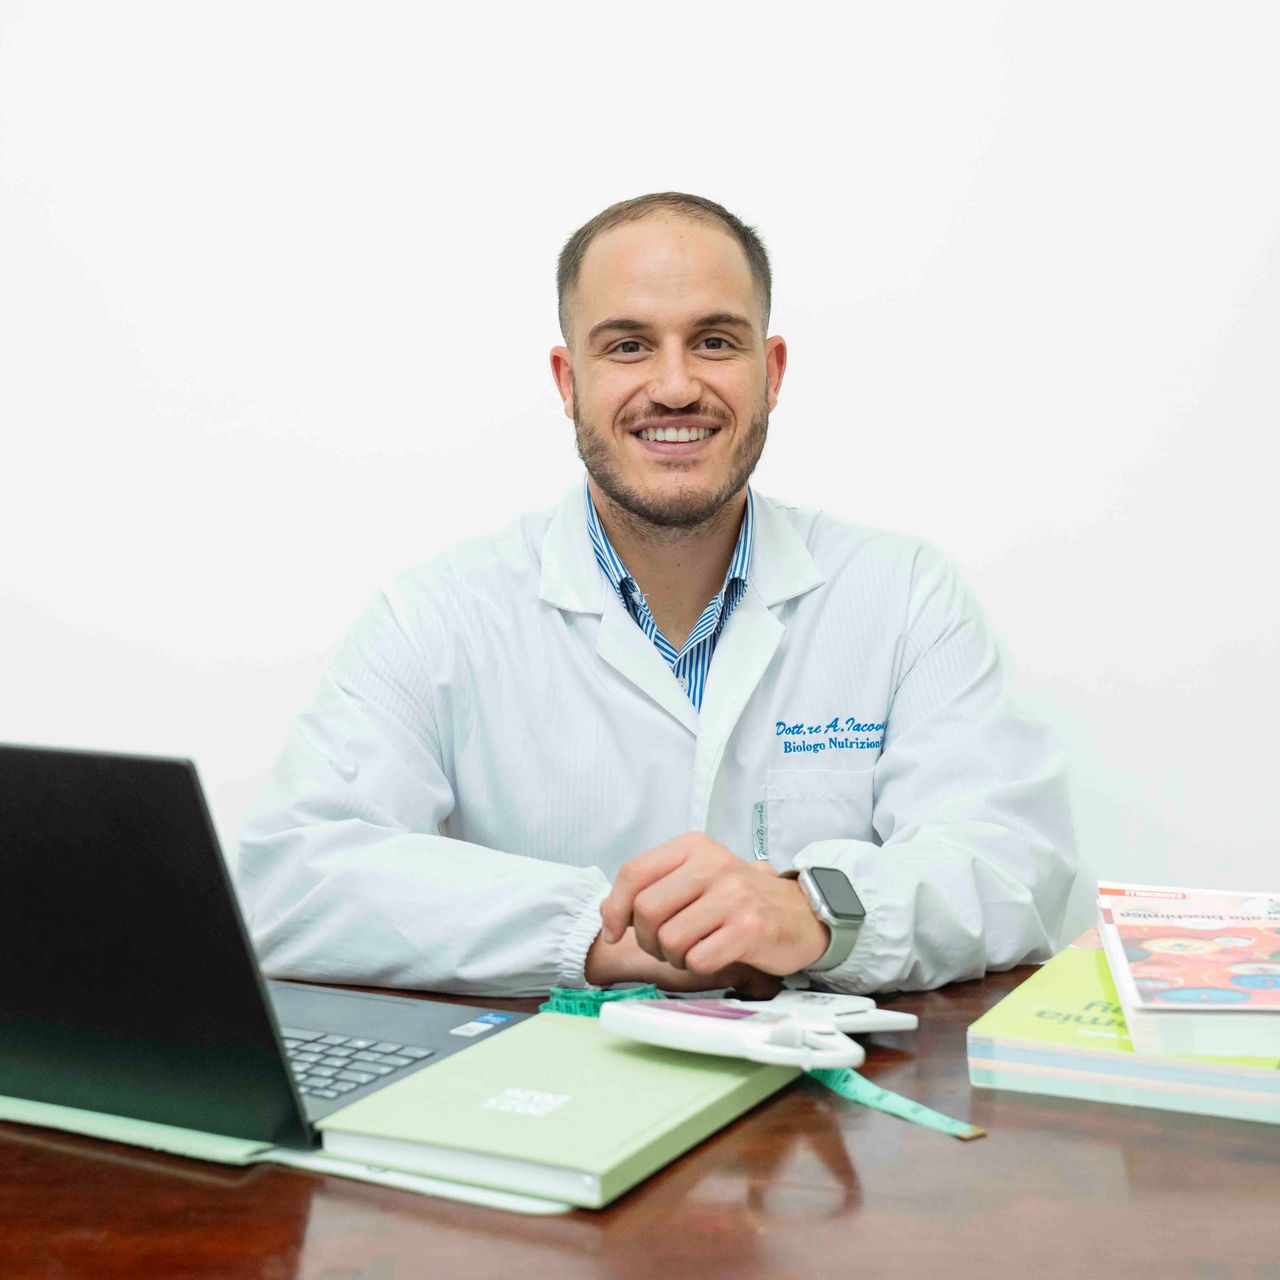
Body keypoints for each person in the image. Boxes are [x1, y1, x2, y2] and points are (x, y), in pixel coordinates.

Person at [237, 192, 1076, 998]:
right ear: (568, 380)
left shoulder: (902, 596)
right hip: (548, 1081)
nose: (675, 386)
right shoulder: (435, 618)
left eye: (713, 341)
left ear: (771, 371)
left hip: (829, 1091)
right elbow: (294, 884)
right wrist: (600, 934)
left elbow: (1012, 865)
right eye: (628, 346)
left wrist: (813, 911)